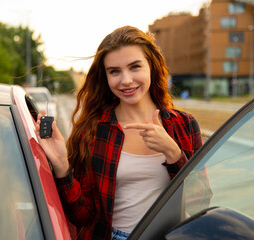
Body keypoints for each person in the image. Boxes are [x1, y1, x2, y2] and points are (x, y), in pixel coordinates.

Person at [36, 26, 203, 240]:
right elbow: (82, 216)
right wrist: (61, 164)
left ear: (151, 67)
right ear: (105, 77)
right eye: (114, 71)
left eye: (135, 67)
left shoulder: (184, 125)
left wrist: (173, 154)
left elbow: (199, 201)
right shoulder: (94, 130)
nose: (125, 80)